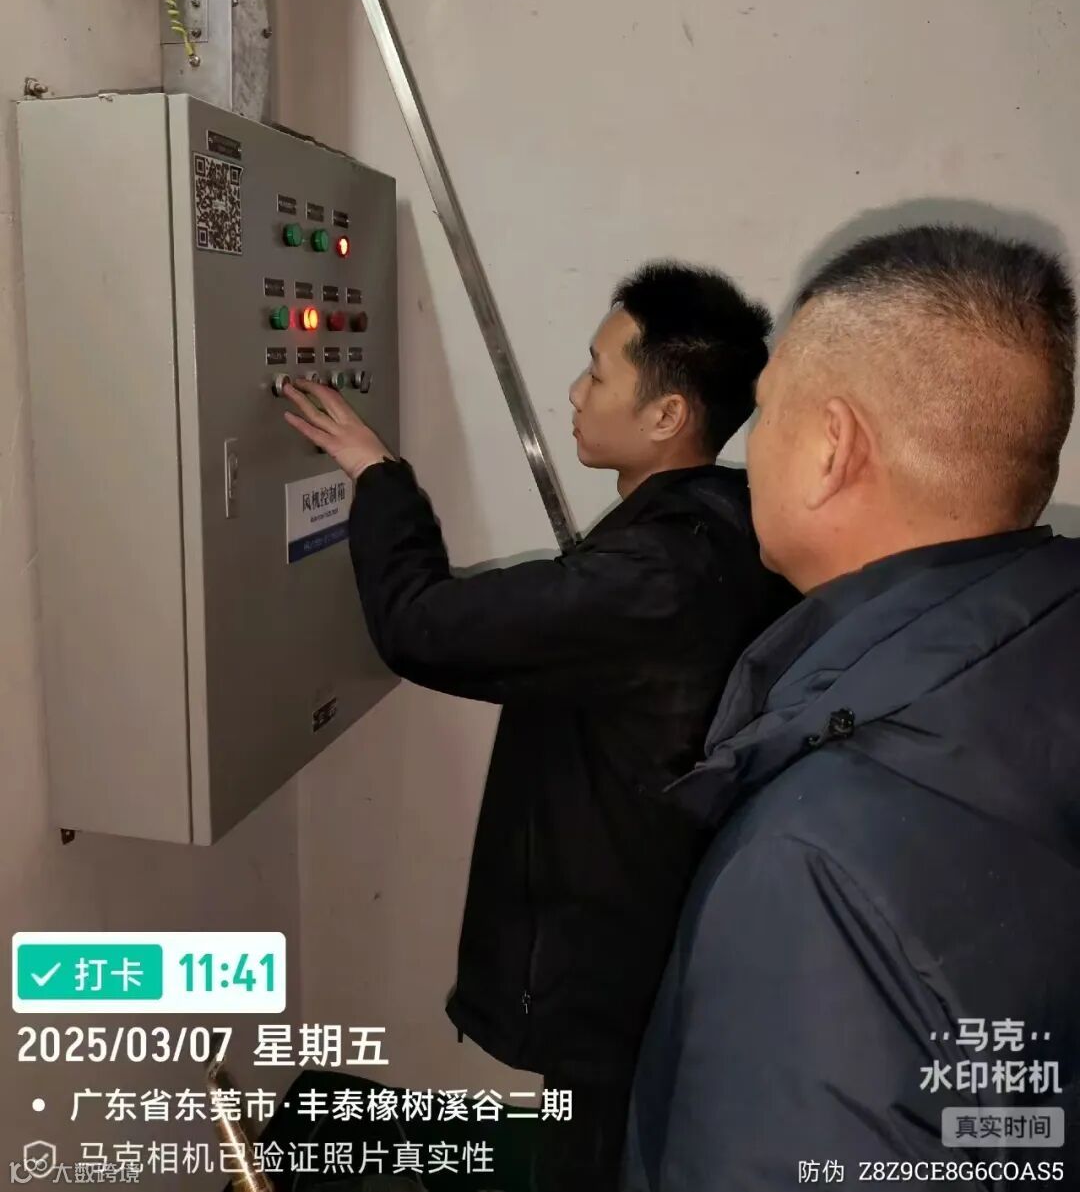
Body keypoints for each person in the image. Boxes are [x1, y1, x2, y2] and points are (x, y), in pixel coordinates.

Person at [281, 260, 794, 1191]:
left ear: (667, 415)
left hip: (614, 961)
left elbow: (422, 627)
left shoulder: (652, 578)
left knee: (588, 1156)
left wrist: (377, 476)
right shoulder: (728, 526)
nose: (575, 391)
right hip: (666, 934)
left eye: (598, 371)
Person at [622, 226, 1080, 1191]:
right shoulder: (1040, 653)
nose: (750, 446)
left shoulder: (813, 871)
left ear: (832, 447)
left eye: (766, 410)